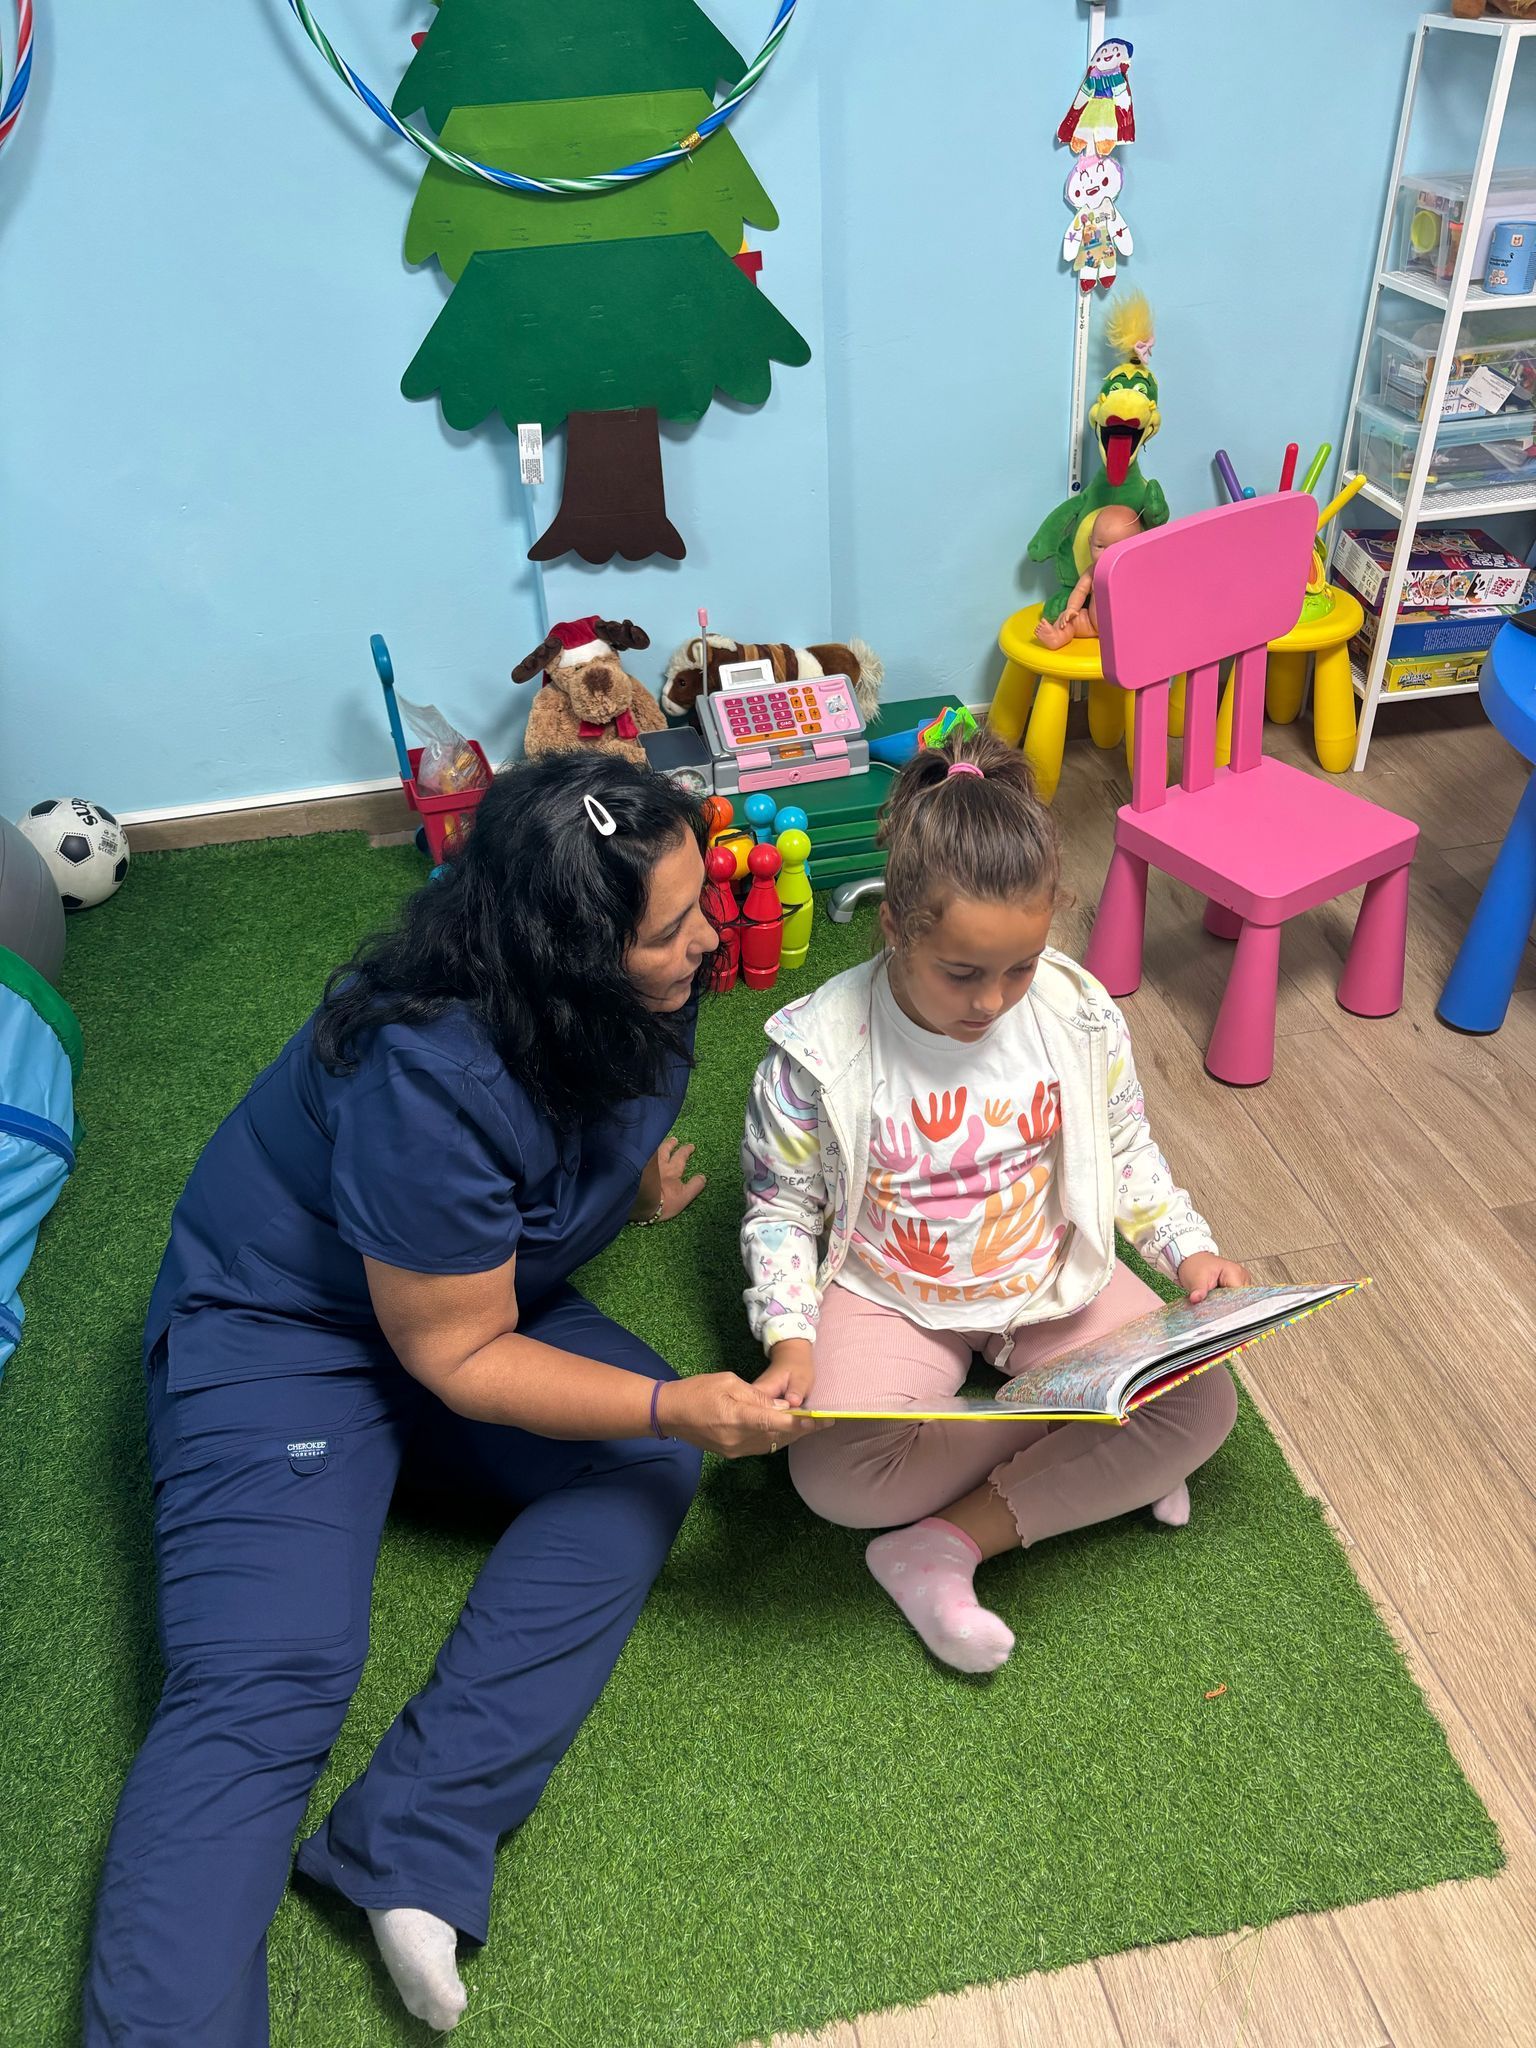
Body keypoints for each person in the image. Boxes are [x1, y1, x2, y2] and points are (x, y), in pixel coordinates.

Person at [86, 752, 824, 2045]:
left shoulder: (634, 979)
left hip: (462, 1299)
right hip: (290, 1333)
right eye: (675, 927)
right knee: (273, 1679)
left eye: (701, 898)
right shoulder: (426, 1071)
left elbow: (544, 1177)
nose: (712, 935)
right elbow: (461, 1354)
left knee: (645, 1460)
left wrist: (620, 1186)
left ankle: (412, 1837)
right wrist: (670, 1408)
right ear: (564, 964)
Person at [740, 730, 1244, 1675]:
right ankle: (1091, 1441)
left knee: (1200, 1405)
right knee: (832, 1476)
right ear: (894, 924)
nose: (994, 1001)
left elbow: (1126, 1145)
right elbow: (778, 1209)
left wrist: (1186, 1250)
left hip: (1050, 1278)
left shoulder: (1076, 1011)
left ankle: (947, 1546)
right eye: (961, 972)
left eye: (1021, 966)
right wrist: (791, 1334)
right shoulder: (816, 1051)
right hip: (889, 1292)